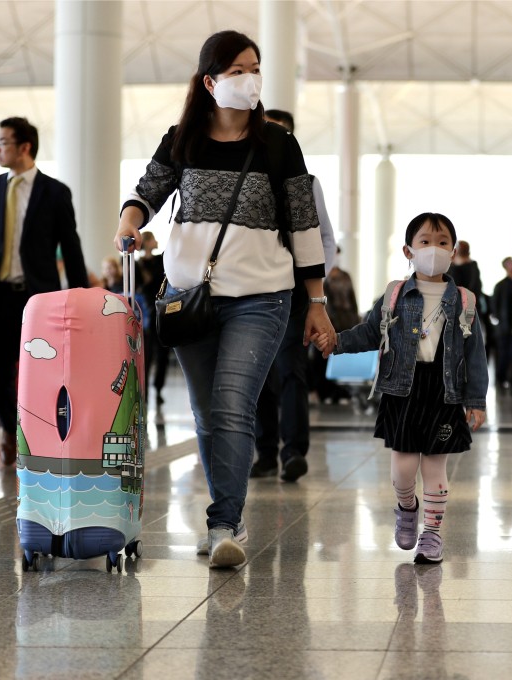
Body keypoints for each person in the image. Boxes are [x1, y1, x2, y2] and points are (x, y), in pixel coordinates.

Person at [114, 31, 335, 569]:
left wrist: (317, 299)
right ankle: (226, 514)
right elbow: (148, 190)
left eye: (254, 68)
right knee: (208, 415)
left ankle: (224, 524)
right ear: (210, 81)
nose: (249, 78)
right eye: (236, 70)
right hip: (190, 300)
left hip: (261, 298)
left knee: (233, 407)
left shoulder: (279, 144)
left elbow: (304, 226)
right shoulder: (182, 138)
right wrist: (130, 218)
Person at [311, 212, 487, 564]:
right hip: (402, 390)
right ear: (409, 250)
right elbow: (368, 332)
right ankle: (407, 508)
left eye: (442, 243)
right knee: (402, 472)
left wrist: (477, 400)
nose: (433, 250)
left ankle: (432, 536)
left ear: (453, 251)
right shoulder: (395, 294)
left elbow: (475, 353)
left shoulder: (464, 301)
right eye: (425, 242)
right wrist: (336, 342)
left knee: (435, 469)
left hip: (444, 392)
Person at [0, 116, 89, 467]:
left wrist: (81, 297)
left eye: (3, 142)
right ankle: (7, 429)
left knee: (40, 369)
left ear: (24, 147)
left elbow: (71, 246)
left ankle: (36, 432)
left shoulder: (55, 192)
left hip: (38, 300)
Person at [249, 108, 337, 482]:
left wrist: (313, 286)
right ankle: (265, 451)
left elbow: (326, 239)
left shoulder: (307, 181)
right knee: (259, 373)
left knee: (291, 372)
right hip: (253, 290)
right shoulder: (248, 178)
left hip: (294, 293)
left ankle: (293, 451)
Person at [312, 245, 360, 403]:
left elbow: (352, 299)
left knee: (342, 358)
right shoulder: (323, 276)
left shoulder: (345, 276)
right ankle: (324, 392)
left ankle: (342, 392)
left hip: (347, 320)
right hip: (329, 322)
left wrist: (356, 321)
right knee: (323, 359)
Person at [136, 231, 170, 405]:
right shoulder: (136, 264)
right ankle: (145, 391)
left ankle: (157, 389)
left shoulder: (160, 260)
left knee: (162, 354)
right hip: (146, 313)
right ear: (147, 242)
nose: (156, 241)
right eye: (153, 239)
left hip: (161, 311)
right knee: (146, 354)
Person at [491, 255, 512, 390]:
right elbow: (495, 307)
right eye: (511, 263)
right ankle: (501, 379)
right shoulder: (501, 285)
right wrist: (500, 321)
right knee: (504, 354)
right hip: (505, 327)